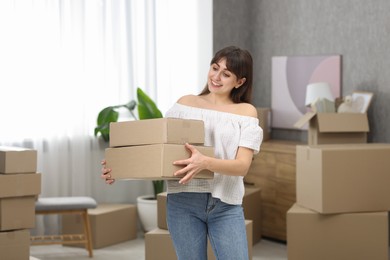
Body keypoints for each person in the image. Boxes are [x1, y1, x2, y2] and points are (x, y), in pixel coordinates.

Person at [101, 46, 263, 260]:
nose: (216, 77)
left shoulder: (246, 112)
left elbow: (242, 166)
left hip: (225, 204)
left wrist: (204, 162)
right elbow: (159, 150)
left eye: (226, 74)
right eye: (215, 68)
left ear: (239, 82)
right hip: (184, 202)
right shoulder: (185, 104)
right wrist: (120, 169)